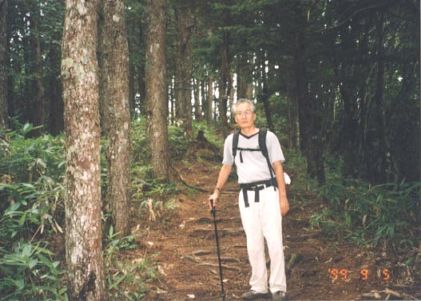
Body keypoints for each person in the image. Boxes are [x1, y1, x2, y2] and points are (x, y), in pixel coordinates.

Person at [208, 99, 289, 301]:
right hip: (246, 198)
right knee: (253, 243)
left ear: (254, 115)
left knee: (274, 242)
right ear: (235, 118)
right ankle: (259, 287)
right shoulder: (231, 141)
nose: (243, 116)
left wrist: (283, 197)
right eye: (239, 113)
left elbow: (278, 167)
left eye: (247, 112)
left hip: (269, 193)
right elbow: (226, 167)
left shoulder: (268, 137)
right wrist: (216, 191)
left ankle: (278, 288)